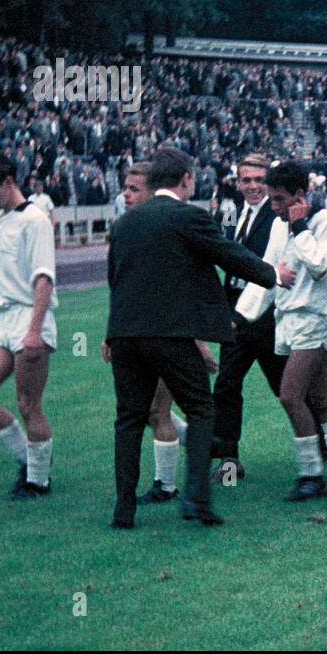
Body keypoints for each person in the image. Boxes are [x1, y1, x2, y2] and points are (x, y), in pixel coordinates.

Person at [106, 147, 277, 529]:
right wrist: (273, 274)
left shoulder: (123, 225)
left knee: (128, 420)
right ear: (186, 180)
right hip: (168, 334)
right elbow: (228, 255)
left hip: (125, 334)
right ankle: (197, 499)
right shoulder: (188, 217)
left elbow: (114, 280)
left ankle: (124, 510)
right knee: (202, 408)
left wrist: (109, 334)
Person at [100, 163, 213, 503]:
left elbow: (189, 289)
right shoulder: (126, 229)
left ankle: (168, 484)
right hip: (138, 334)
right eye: (125, 187)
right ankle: (195, 455)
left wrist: (199, 340)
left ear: (152, 190)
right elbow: (119, 287)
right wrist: (111, 331)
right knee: (151, 411)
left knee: (155, 411)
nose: (126, 194)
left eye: (134, 189)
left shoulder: (174, 225)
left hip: (169, 336)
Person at [250, 161, 327, 501]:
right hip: (291, 321)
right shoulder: (280, 225)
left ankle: (311, 473)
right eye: (271, 199)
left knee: (290, 395)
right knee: (323, 399)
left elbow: (320, 266)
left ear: (300, 195)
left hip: (317, 319)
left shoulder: (324, 221)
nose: (274, 207)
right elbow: (271, 270)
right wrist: (244, 316)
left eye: (280, 200)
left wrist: (300, 226)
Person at [0, 153, 58, 499]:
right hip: (0, 319)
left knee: (28, 404)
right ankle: (32, 459)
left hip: (27, 317)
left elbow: (44, 279)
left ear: (8, 182)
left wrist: (34, 330)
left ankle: (38, 481)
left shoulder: (34, 220)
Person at [210, 153, 287, 482]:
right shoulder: (233, 214)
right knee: (226, 385)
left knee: (286, 388)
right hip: (234, 314)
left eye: (259, 180)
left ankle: (321, 445)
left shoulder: (277, 215)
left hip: (267, 314)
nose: (253, 186)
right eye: (247, 180)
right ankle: (229, 460)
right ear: (238, 182)